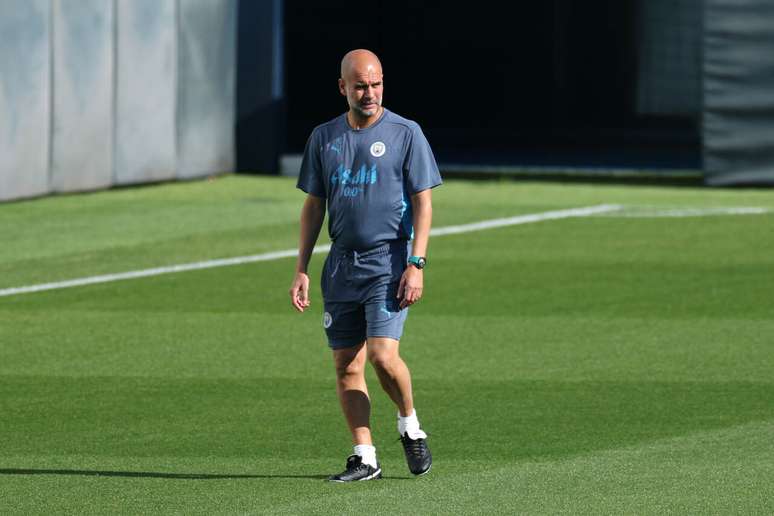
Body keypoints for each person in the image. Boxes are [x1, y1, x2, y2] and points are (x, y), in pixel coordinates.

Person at [289, 49, 442, 482]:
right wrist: (301, 267)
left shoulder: (405, 133)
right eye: (360, 85)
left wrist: (417, 262)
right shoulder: (324, 138)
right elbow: (313, 205)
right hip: (340, 264)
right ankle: (364, 455)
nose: (370, 93)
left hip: (388, 262)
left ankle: (410, 426)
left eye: (376, 84)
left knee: (381, 355)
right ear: (343, 87)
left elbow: (423, 203)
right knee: (345, 364)